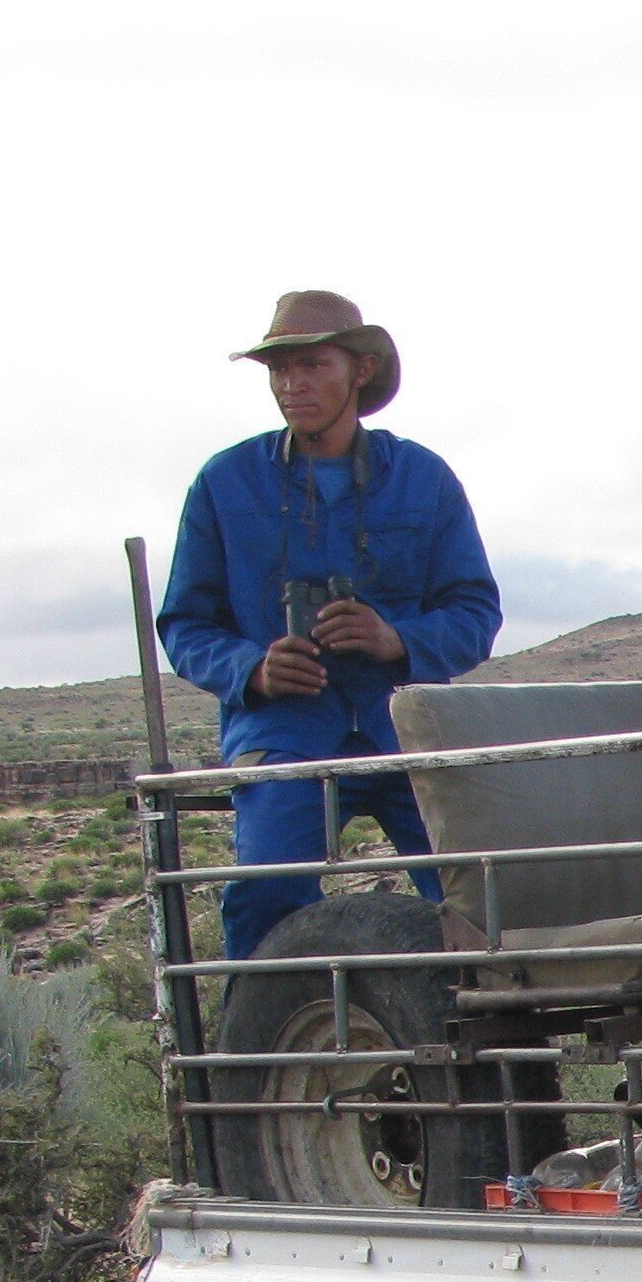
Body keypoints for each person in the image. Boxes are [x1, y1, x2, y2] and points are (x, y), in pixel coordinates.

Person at [158, 291, 501, 959]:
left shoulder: (424, 480)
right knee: (263, 892)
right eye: (279, 370)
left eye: (312, 365)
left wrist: (394, 639)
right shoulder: (224, 484)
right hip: (285, 735)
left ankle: (494, 1051)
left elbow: (476, 614)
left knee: (481, 899)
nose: (292, 384)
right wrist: (251, 669)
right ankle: (257, 1054)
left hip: (407, 730)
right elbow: (185, 625)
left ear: (360, 371)